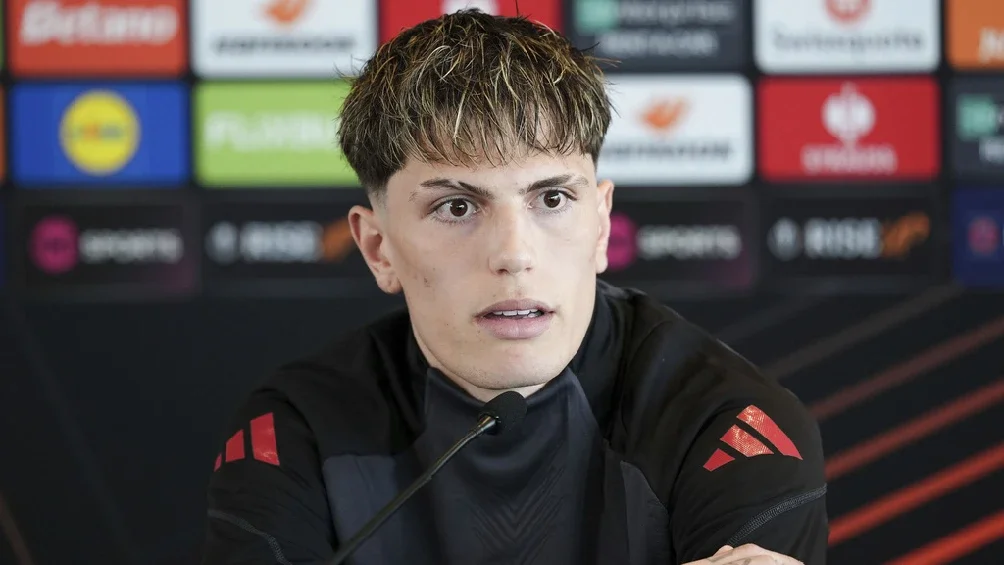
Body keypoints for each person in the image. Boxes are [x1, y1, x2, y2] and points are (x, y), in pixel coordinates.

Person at [201, 9, 828, 565]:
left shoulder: (727, 422)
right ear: (378, 248)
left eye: (551, 199)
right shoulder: (299, 428)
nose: (514, 255)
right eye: (456, 208)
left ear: (601, 224)